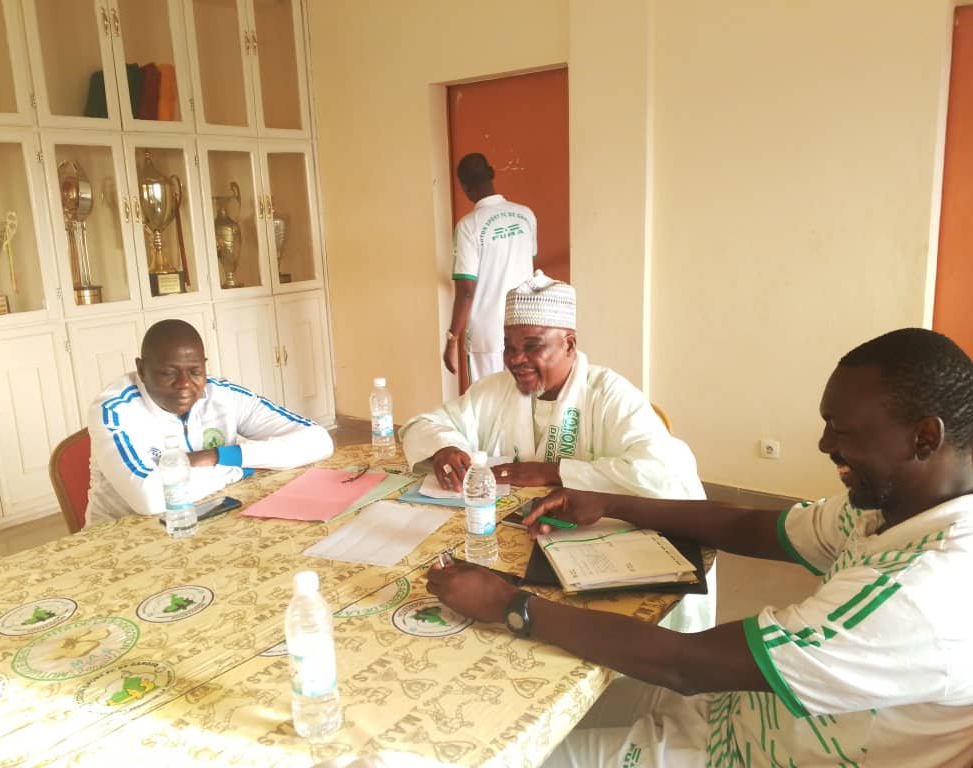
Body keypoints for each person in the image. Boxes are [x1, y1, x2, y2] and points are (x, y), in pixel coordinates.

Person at [426, 328, 973, 767]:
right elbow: (755, 527)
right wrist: (610, 502)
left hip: (739, 751)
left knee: (500, 751)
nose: (824, 444)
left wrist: (509, 604)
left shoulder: (926, 593)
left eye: (842, 430)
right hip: (739, 708)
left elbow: (689, 664)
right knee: (537, 700)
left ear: (925, 437)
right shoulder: (890, 511)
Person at [406, 271, 712, 631]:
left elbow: (668, 471)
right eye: (509, 347)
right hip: (508, 548)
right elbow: (421, 425)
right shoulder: (494, 390)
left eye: (532, 346)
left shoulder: (608, 393)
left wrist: (555, 471)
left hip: (595, 554)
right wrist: (445, 447)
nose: (515, 359)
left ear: (569, 344)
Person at [87, 319, 333, 525]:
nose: (185, 384)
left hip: (210, 518)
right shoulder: (113, 410)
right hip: (119, 538)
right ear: (141, 370)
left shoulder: (221, 394)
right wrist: (240, 468)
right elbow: (150, 498)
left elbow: (319, 441)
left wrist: (218, 455)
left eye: (195, 372)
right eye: (169, 373)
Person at [443, 152, 536, 381]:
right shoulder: (526, 216)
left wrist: (452, 339)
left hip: (486, 337)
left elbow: (466, 291)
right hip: (524, 328)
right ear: (491, 174)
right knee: (522, 399)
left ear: (465, 187)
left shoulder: (468, 226)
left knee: (485, 401)